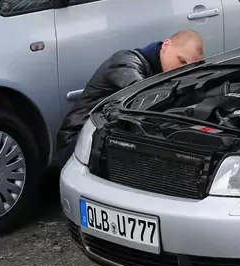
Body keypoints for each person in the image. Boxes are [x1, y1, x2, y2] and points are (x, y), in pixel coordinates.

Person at [54, 29, 205, 166]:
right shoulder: (125, 62)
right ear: (166, 45)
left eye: (188, 67)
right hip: (78, 141)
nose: (183, 69)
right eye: (182, 61)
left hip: (110, 141)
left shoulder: (166, 75)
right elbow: (144, 98)